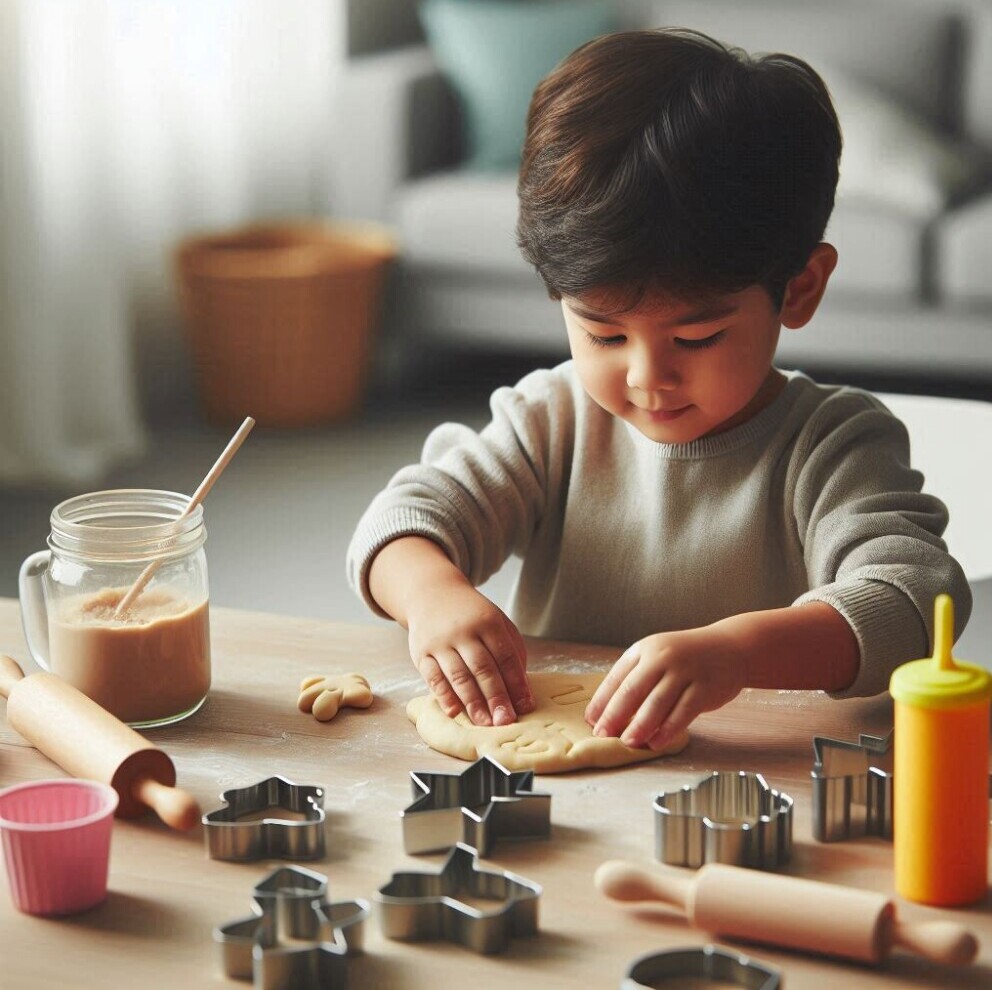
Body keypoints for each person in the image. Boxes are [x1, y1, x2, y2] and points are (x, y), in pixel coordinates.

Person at [346, 28, 971, 751]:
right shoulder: (551, 421)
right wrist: (432, 597)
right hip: (559, 804)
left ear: (799, 289)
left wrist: (737, 654)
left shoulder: (833, 445)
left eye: (697, 339)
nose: (648, 377)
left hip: (759, 781)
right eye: (605, 335)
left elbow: (917, 603)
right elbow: (399, 521)